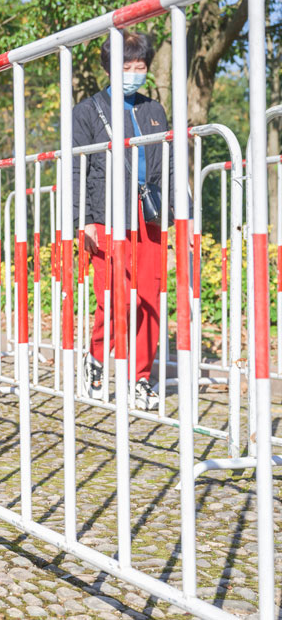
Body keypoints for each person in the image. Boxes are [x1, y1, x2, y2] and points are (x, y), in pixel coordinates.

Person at [72, 31, 181, 411]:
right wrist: (82, 220)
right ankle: (98, 357)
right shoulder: (87, 111)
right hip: (107, 214)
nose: (135, 73)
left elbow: (168, 162)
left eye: (141, 67)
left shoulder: (154, 110)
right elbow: (76, 168)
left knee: (149, 295)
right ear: (110, 68)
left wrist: (175, 212)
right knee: (114, 293)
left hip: (149, 214)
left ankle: (140, 378)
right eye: (127, 67)